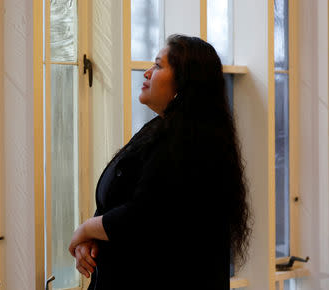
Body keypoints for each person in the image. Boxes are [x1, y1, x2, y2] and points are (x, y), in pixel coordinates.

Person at [68, 34, 251, 289]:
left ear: (184, 82)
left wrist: (87, 229)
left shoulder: (188, 143)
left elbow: (144, 217)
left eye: (158, 65)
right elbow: (119, 202)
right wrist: (94, 240)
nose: (146, 73)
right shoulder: (161, 129)